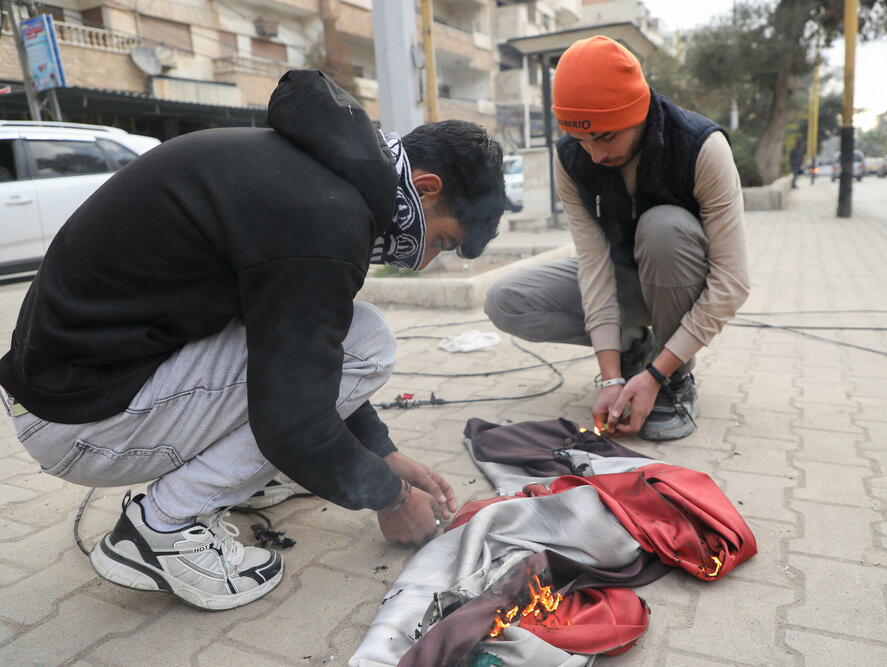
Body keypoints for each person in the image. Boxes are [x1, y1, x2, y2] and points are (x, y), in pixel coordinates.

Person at [0, 70, 505, 610]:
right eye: (442, 242)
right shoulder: (327, 220)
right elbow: (292, 420)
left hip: (66, 387)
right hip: (83, 422)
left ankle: (240, 478)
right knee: (370, 342)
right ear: (426, 189)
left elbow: (296, 346)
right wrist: (391, 496)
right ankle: (159, 530)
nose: (425, 262)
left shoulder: (314, 172)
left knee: (340, 347)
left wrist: (383, 453)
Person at [485, 36, 750, 442]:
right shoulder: (570, 159)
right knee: (506, 299)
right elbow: (593, 266)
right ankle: (632, 353)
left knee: (662, 227)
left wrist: (659, 375)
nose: (593, 155)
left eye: (605, 137)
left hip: (682, 282)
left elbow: (732, 282)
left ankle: (673, 376)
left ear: (639, 110)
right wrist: (610, 379)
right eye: (581, 140)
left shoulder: (700, 148)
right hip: (625, 282)